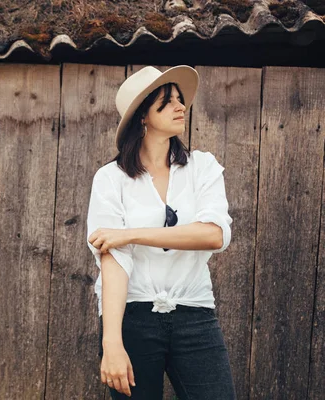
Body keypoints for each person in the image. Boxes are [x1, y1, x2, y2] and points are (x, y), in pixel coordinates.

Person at [86, 65, 236, 399]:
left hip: (195, 315)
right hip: (134, 317)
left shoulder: (203, 167)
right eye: (167, 102)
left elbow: (213, 234)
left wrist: (131, 234)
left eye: (180, 100)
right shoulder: (110, 179)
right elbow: (113, 262)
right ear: (142, 116)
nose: (181, 107)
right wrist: (112, 343)